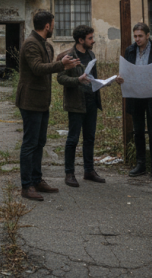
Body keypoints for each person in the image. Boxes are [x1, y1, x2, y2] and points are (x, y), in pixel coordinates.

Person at [16, 10, 81, 202]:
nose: (53, 27)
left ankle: (36, 180)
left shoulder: (44, 44)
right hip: (30, 101)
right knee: (30, 144)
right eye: (53, 24)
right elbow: (37, 68)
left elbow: (45, 65)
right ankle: (27, 186)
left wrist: (59, 59)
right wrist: (61, 65)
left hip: (41, 101)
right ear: (47, 26)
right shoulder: (30, 44)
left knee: (40, 143)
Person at [118, 23, 152, 180]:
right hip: (135, 94)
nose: (137, 39)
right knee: (138, 131)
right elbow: (126, 70)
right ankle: (140, 164)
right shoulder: (130, 50)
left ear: (148, 35)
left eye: (140, 36)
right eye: (135, 36)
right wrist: (120, 78)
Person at [56, 24, 105, 188]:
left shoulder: (91, 54)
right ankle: (69, 173)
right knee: (73, 139)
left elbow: (92, 77)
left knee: (90, 138)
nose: (93, 41)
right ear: (80, 40)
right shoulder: (69, 56)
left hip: (91, 102)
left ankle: (89, 171)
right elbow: (60, 79)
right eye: (90, 38)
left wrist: (104, 83)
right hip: (76, 103)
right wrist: (77, 80)